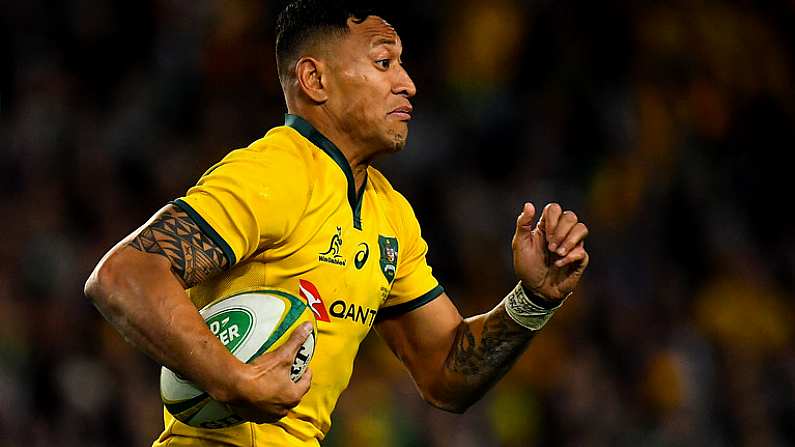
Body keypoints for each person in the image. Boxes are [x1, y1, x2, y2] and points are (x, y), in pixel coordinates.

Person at [84, 1, 590, 445]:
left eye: (403, 64)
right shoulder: (276, 171)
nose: (408, 83)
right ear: (315, 80)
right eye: (383, 62)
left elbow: (444, 376)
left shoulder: (390, 214)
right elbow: (124, 274)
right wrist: (232, 380)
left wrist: (534, 299)